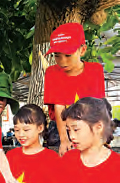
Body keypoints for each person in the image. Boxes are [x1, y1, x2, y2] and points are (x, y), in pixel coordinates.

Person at [44, 22, 105, 156]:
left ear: (82, 50)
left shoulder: (95, 70)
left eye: (68, 55)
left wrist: (98, 137)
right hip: (61, 127)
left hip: (90, 123)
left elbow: (98, 106)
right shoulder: (52, 72)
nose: (62, 61)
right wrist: (64, 139)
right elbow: (58, 106)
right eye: (57, 55)